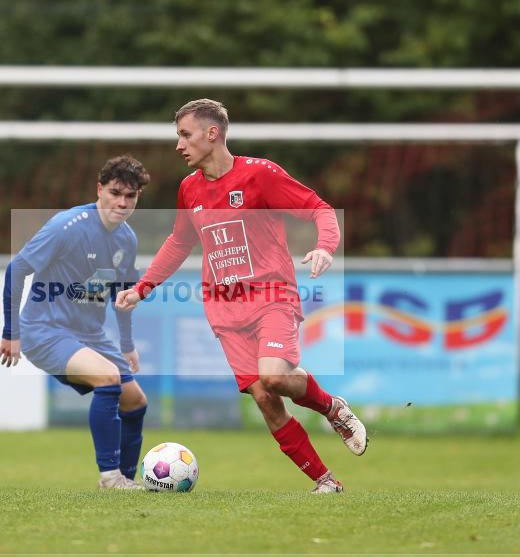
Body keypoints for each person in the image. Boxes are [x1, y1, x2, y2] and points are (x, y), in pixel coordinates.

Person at [116, 99, 367, 494]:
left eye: (185, 135)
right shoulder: (190, 189)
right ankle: (325, 481)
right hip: (223, 308)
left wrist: (325, 248)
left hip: (271, 294)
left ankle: (332, 408)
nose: (179, 145)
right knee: (266, 398)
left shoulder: (260, 174)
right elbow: (179, 241)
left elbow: (319, 208)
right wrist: (143, 288)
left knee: (274, 376)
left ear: (211, 133)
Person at [0, 155, 150, 490]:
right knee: (108, 380)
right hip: (46, 331)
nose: (122, 203)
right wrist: (12, 332)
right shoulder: (65, 227)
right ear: (99, 189)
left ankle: (125, 480)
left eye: (131, 196)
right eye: (115, 193)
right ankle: (109, 478)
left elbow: (122, 295)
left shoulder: (127, 239)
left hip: (89, 335)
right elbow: (17, 269)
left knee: (135, 401)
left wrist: (126, 345)